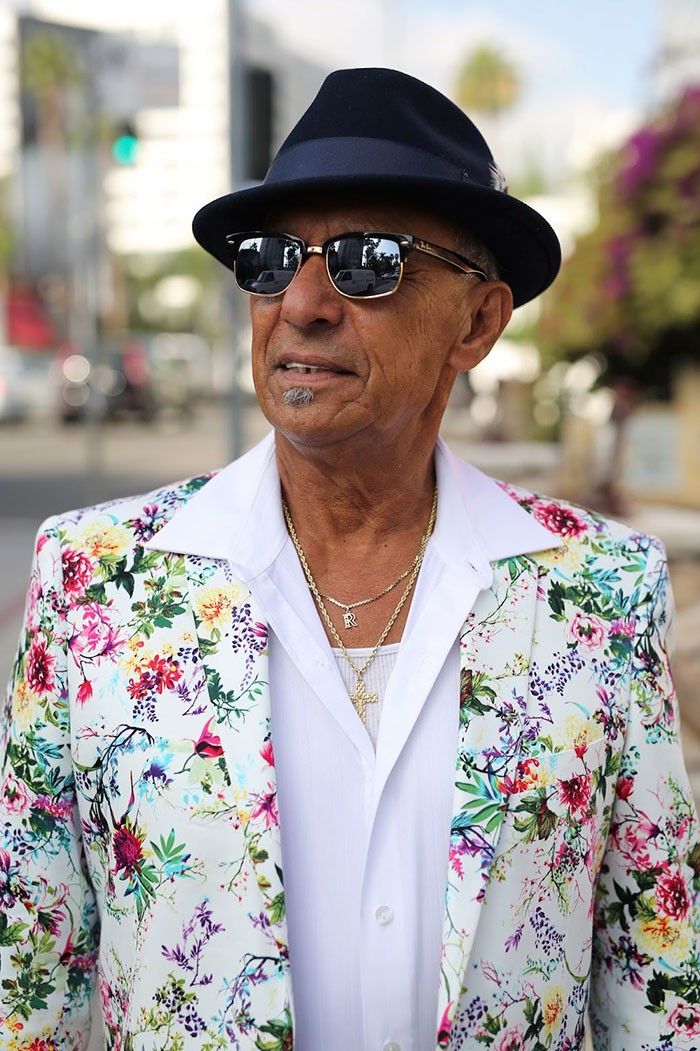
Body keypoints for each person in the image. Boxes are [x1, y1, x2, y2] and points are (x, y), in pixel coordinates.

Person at [1, 67, 698, 1051]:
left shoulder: (599, 590)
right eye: (271, 259)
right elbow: (30, 976)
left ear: (477, 321)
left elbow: (658, 992)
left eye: (369, 261)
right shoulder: (93, 581)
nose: (303, 301)